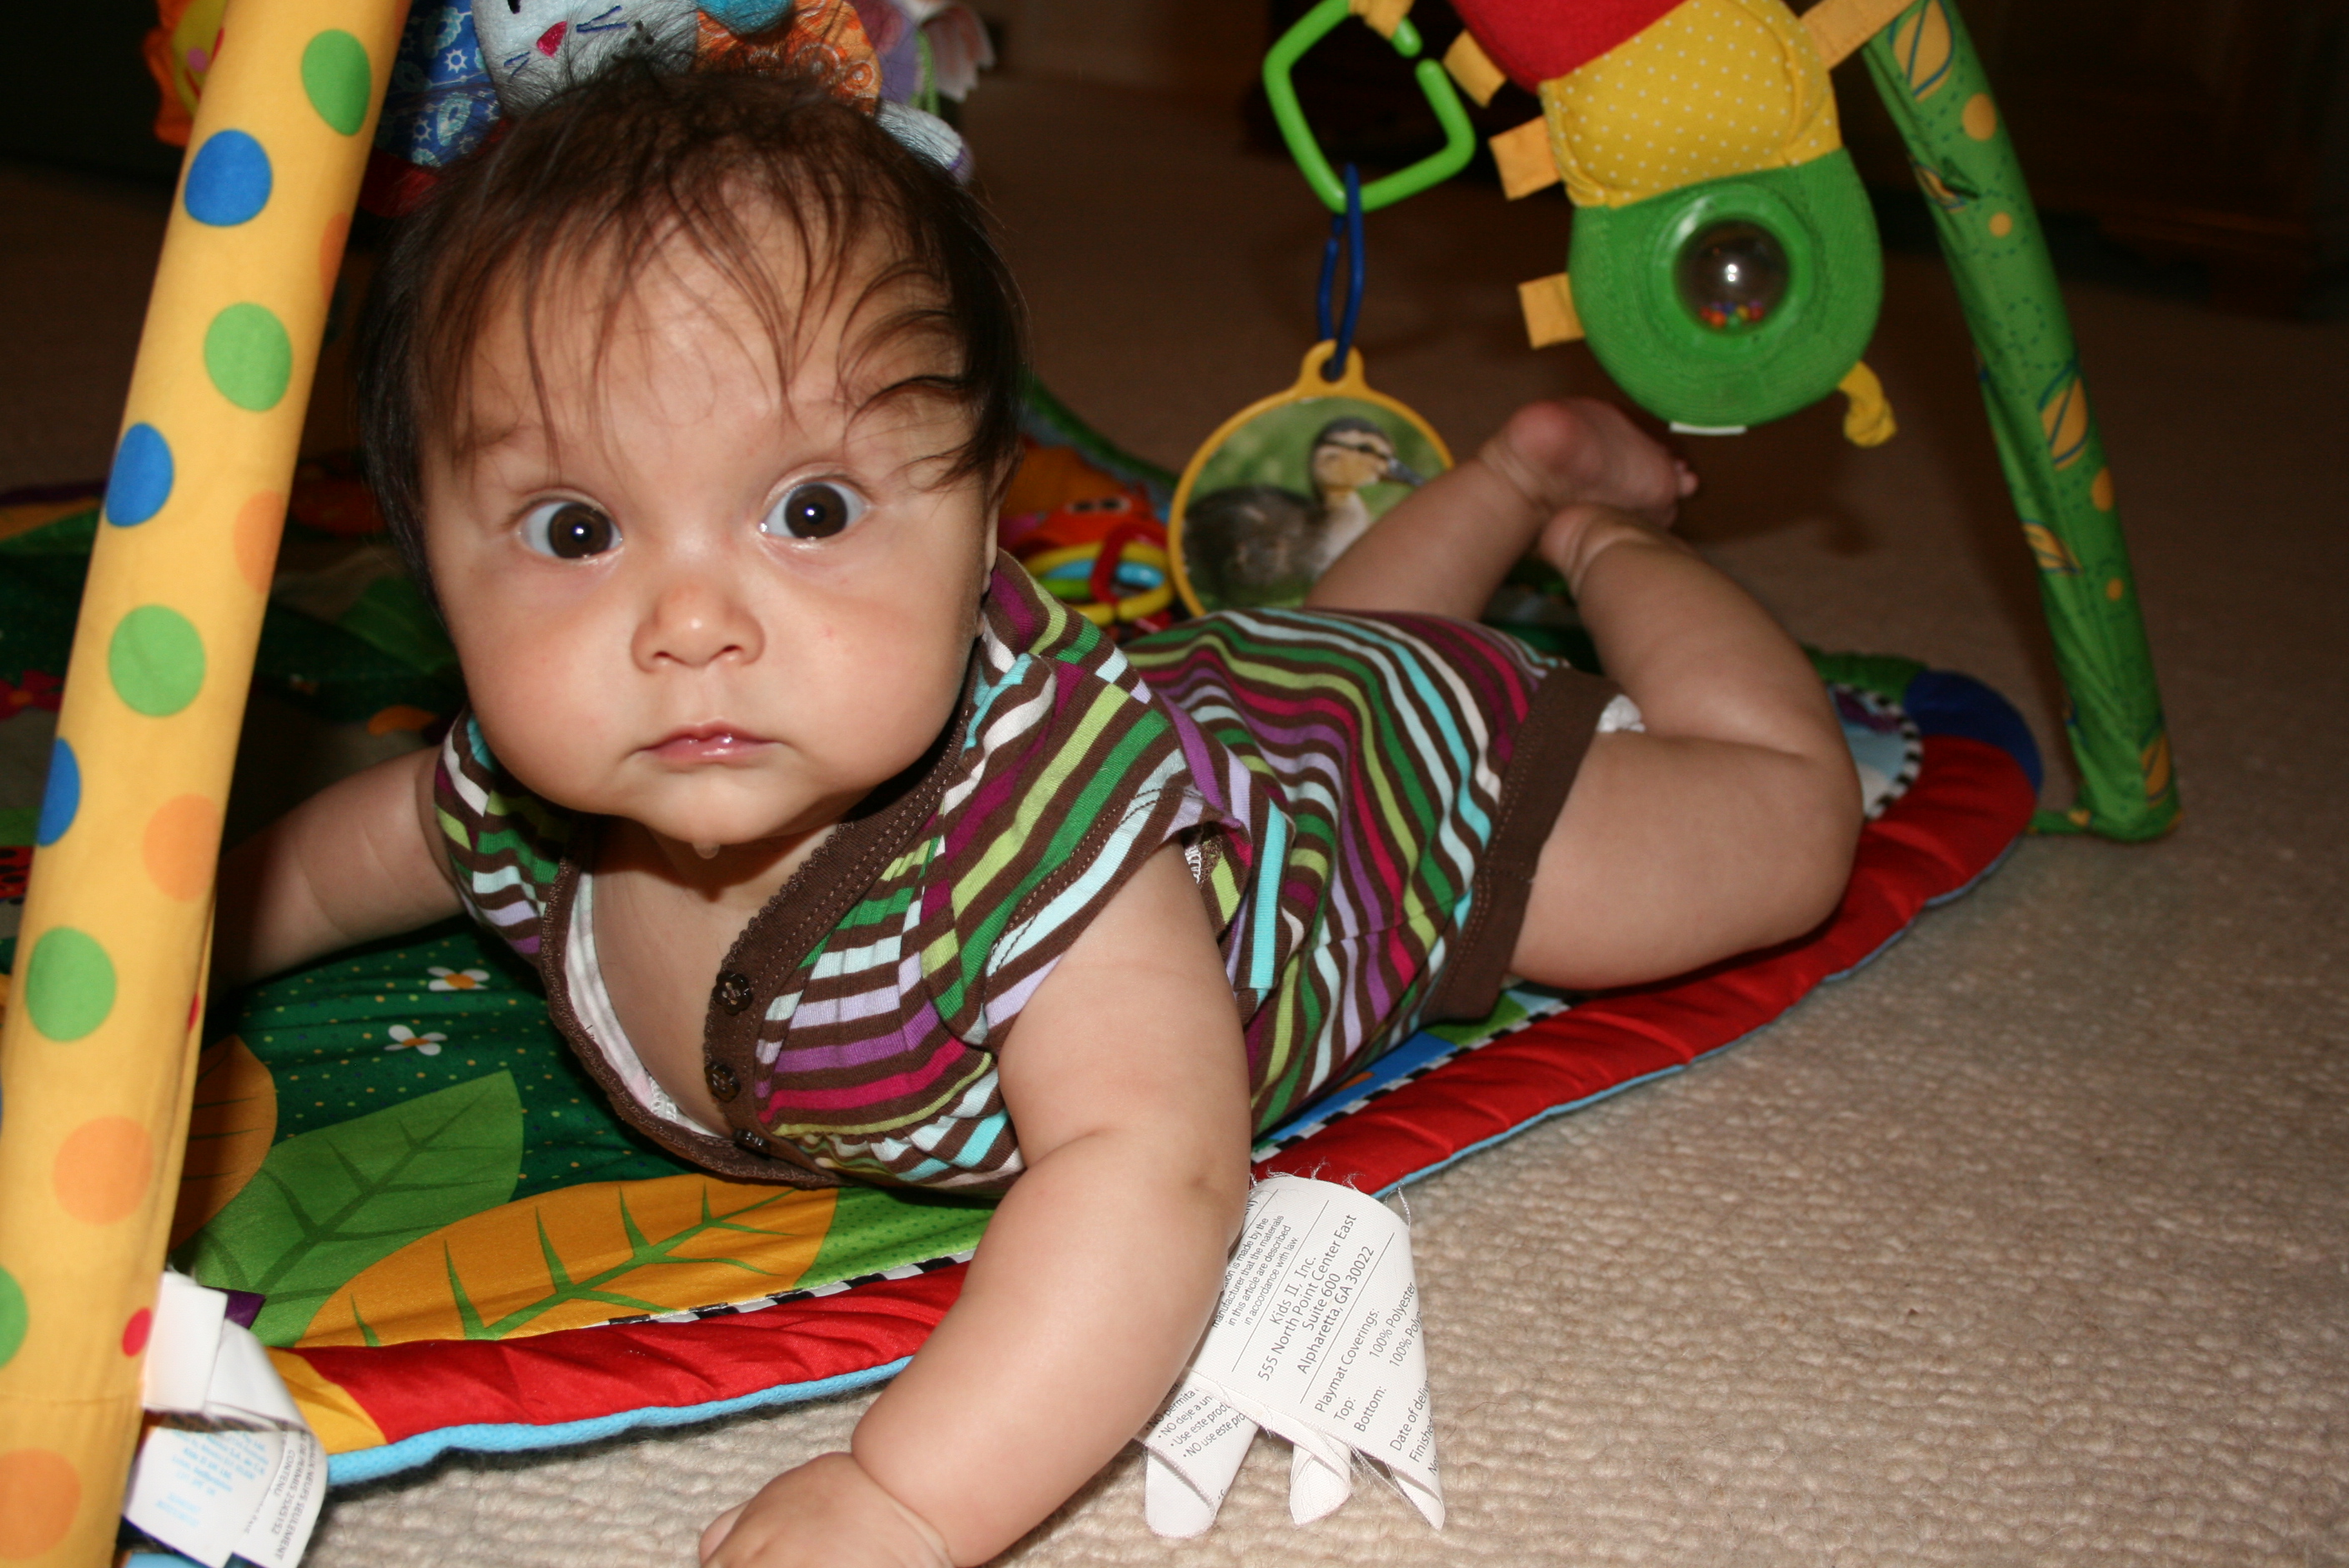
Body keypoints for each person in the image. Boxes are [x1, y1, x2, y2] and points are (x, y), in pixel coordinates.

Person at [213, 59, 1861, 1568]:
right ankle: (1496, 484)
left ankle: (1585, 530)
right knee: (1315, 650)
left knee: (1781, 840)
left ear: (983, 518)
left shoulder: (1045, 842)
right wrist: (144, 956)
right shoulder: (518, 795)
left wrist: (908, 1493)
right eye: (575, 531)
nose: (691, 622)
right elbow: (323, 871)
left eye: (810, 511)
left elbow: (1152, 1169)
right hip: (1255, 684)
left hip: (1409, 803)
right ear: (429, 555)